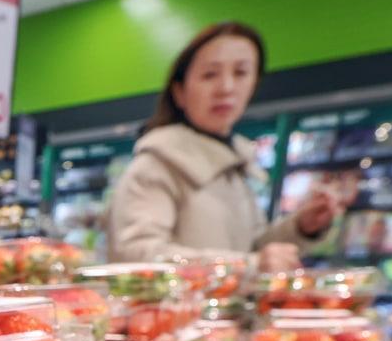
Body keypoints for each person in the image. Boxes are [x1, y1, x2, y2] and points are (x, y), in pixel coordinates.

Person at [105, 22, 341, 270]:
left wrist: (300, 227)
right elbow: (134, 256)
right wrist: (246, 266)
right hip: (176, 309)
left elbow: (251, 249)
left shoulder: (240, 165)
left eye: (241, 73)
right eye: (210, 75)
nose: (226, 88)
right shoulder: (157, 163)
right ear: (179, 91)